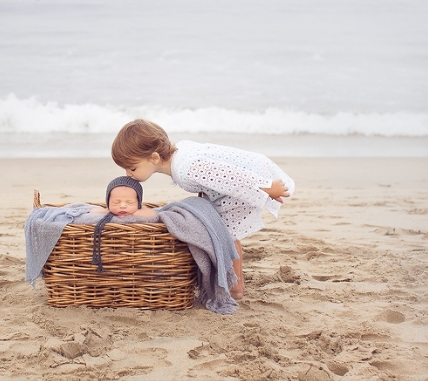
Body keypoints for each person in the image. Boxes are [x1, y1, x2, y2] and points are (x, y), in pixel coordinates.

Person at [111, 118, 294, 299]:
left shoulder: (186, 168)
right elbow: (209, 178)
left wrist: (267, 187)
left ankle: (235, 286)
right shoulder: (179, 154)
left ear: (154, 158)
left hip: (251, 179)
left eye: (132, 168)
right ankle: (232, 281)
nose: (128, 174)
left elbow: (231, 177)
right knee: (223, 230)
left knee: (227, 234)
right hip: (239, 182)